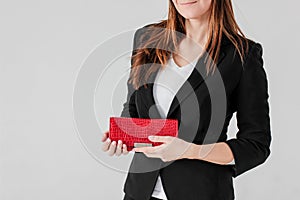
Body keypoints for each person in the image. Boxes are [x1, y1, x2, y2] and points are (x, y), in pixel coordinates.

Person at [101, 0, 272, 200]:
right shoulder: (147, 37)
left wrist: (190, 151)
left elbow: (256, 145)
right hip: (140, 192)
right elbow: (133, 105)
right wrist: (124, 136)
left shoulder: (242, 54)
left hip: (202, 192)